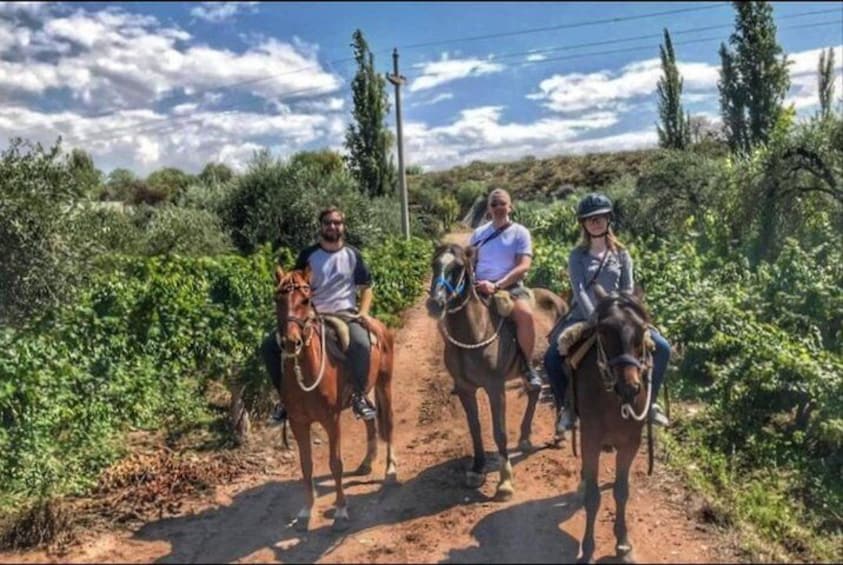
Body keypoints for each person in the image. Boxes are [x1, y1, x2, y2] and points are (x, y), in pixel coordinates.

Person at [543, 192, 671, 433]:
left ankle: (651, 404)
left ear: (608, 219)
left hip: (620, 318)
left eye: (600, 217)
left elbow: (627, 289)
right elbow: (578, 289)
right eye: (590, 219)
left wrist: (617, 316)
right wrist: (594, 317)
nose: (596, 222)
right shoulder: (577, 256)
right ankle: (567, 408)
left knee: (662, 347)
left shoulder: (622, 254)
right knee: (551, 358)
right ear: (583, 224)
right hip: (584, 317)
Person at [261, 206, 377, 422]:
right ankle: (284, 400)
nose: (332, 226)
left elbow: (366, 287)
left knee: (361, 343)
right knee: (269, 346)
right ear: (321, 227)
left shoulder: (353, 254)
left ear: (343, 226)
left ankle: (359, 396)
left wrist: (363, 313)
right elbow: (295, 282)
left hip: (344, 312)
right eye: (328, 223)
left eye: (337, 222)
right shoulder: (308, 255)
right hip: (311, 313)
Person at [469, 188, 543, 392]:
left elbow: (523, 266)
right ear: (489, 209)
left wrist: (497, 285)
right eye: (494, 204)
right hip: (480, 287)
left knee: (525, 314)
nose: (498, 207)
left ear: (510, 206)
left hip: (509, 288)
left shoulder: (520, 232)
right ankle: (461, 370)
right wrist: (474, 281)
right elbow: (470, 262)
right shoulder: (478, 234)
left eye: (502, 203)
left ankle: (527, 367)